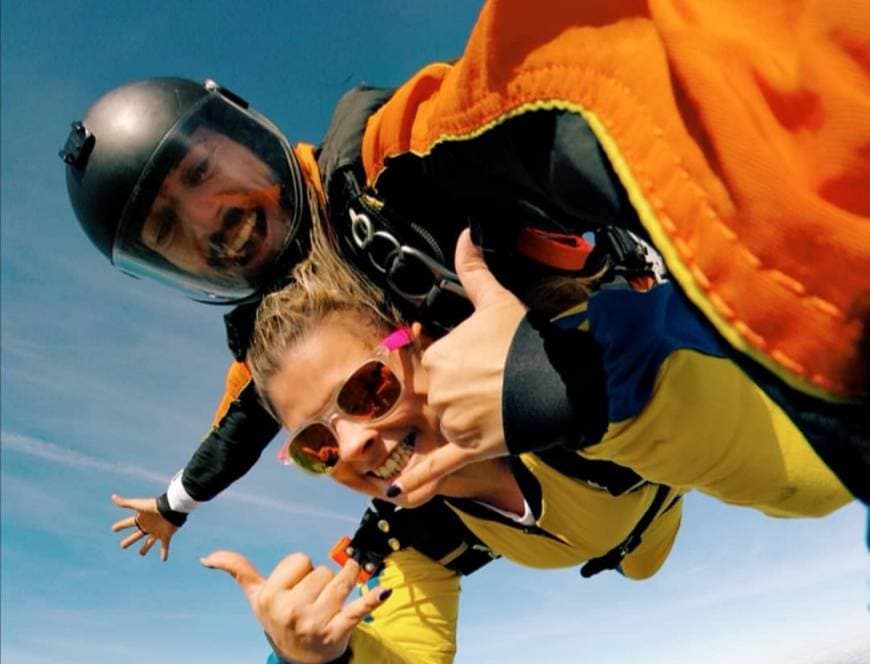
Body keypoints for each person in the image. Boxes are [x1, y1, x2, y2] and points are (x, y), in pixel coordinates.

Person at [61, 0, 869, 560]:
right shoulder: (277, 345)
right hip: (597, 487)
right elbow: (243, 426)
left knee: (808, 481)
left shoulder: (388, 168)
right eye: (171, 232)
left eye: (207, 171)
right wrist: (174, 504)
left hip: (661, 357)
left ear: (246, 130)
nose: (216, 221)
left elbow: (556, 90)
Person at [200, 212, 851, 664]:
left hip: (661, 490)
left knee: (762, 503)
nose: (356, 443)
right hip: (631, 544)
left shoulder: (561, 362)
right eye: (317, 444)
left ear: (419, 343)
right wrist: (317, 663)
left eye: (367, 389)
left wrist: (582, 390)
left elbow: (812, 472)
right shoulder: (409, 534)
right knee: (642, 559)